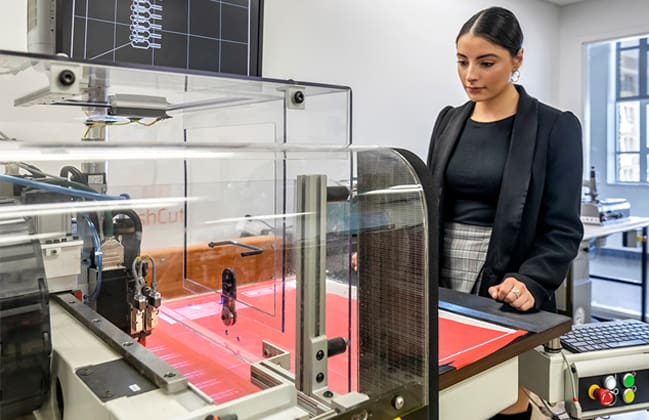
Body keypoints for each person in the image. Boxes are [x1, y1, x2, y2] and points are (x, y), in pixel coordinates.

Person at [427, 6, 583, 420]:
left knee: (500, 398)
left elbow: (563, 228)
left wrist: (531, 279)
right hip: (443, 277)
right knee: (451, 394)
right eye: (462, 62)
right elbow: (430, 205)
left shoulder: (555, 127)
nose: (470, 75)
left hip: (507, 279)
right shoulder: (448, 121)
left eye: (486, 62)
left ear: (517, 59)